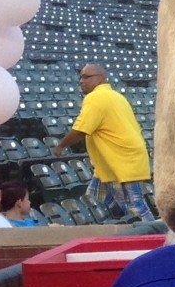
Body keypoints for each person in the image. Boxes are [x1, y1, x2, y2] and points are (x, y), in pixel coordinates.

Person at [52, 64, 156, 222]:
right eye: (80, 77)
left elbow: (81, 130)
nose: (81, 81)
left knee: (136, 208)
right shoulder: (116, 96)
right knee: (94, 200)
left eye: (86, 77)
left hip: (121, 162)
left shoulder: (96, 97)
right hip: (109, 163)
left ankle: (154, 238)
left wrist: (61, 145)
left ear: (100, 78)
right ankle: (111, 230)